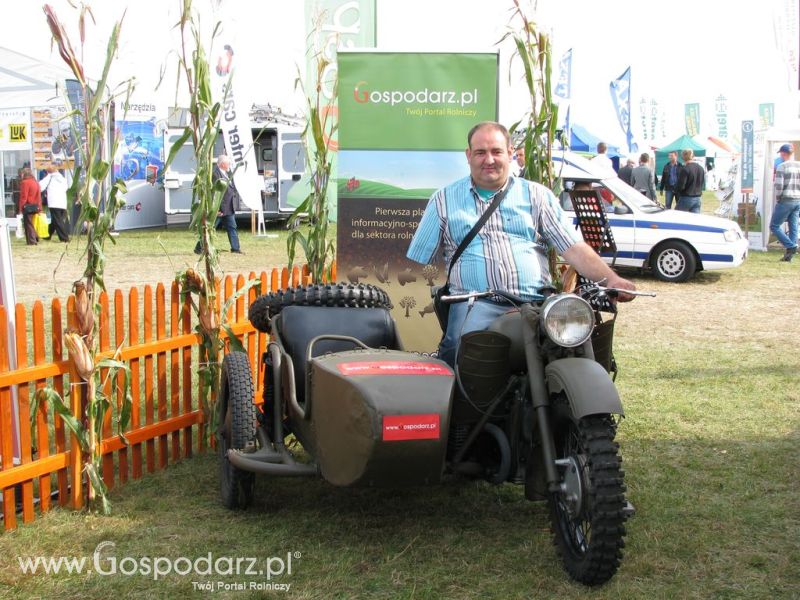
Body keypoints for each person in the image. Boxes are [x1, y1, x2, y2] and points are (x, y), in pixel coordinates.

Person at [406, 121, 636, 366]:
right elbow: (418, 258)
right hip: (474, 305)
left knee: (576, 355)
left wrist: (611, 280)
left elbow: (573, 248)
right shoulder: (443, 199)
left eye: (496, 151)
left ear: (511, 153)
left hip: (536, 305)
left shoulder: (537, 195)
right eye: (480, 152)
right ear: (468, 155)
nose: (489, 160)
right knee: (459, 360)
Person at [194, 154, 242, 255]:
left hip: (229, 207)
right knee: (209, 228)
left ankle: (235, 248)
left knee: (232, 227)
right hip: (218, 209)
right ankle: (199, 248)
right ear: (222, 164)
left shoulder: (228, 173)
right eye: (228, 163)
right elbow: (213, 193)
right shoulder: (215, 174)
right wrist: (215, 208)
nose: (229, 164)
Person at [770, 143, 800, 262]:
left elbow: (779, 186)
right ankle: (789, 256)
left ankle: (791, 246)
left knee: (774, 226)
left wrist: (778, 198)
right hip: (798, 199)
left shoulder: (782, 166)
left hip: (786, 199)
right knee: (794, 227)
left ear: (783, 153)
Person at [38, 162, 70, 242]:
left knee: (57, 221)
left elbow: (40, 187)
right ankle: (47, 235)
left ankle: (64, 238)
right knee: (55, 220)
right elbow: (66, 187)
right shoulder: (62, 178)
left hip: (54, 202)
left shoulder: (49, 177)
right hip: (62, 202)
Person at [18, 167, 42, 245]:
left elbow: (24, 196)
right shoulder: (35, 182)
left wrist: (20, 208)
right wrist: (40, 207)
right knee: (30, 223)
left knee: (28, 224)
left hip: (28, 206)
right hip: (35, 205)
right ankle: (35, 237)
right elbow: (39, 196)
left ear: (24, 174)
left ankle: (32, 241)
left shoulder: (25, 182)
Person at [676, 149, 705, 213]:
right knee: (694, 221)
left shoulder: (685, 169)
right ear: (693, 156)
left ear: (683, 157)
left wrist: (676, 190)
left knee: (678, 218)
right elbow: (702, 182)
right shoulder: (701, 168)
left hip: (686, 197)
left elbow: (681, 186)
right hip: (698, 198)